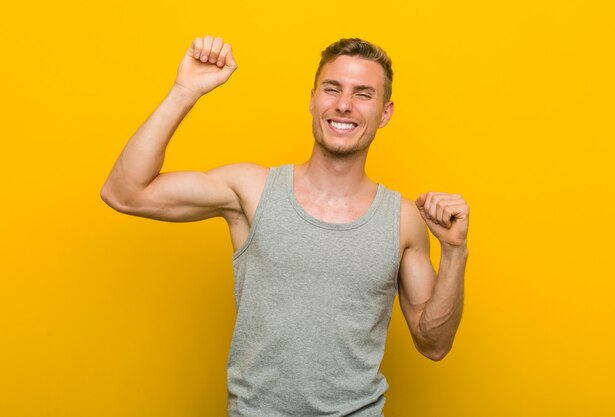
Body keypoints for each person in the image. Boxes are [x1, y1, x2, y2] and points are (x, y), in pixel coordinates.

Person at [101, 34, 469, 416]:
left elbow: (434, 343)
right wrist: (185, 90)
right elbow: (125, 192)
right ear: (312, 99)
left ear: (385, 112)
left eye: (363, 94)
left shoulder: (403, 219)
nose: (343, 105)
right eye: (332, 89)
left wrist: (455, 252)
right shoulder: (252, 191)